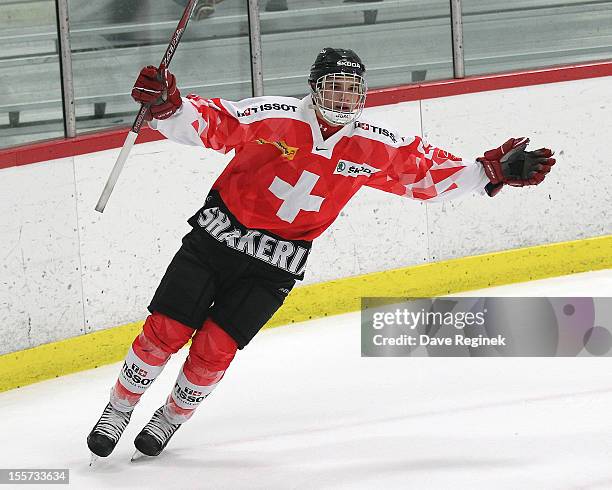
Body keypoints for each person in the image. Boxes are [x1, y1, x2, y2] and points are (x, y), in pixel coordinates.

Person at [86, 47, 555, 461]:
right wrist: (168, 107)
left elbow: (429, 178)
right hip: (214, 240)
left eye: (353, 89)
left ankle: (169, 418)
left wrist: (490, 170)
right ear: (314, 88)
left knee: (215, 350)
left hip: (274, 265)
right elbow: (213, 123)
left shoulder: (374, 143)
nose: (344, 98)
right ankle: (118, 409)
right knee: (164, 331)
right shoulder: (273, 115)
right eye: (335, 86)